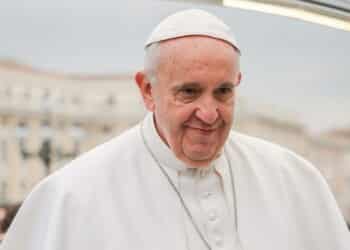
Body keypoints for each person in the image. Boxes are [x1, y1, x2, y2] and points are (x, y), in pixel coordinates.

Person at [0, 9, 349, 250]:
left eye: (223, 92)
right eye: (189, 92)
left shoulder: (294, 179)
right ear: (147, 90)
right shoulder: (72, 195)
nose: (209, 113)